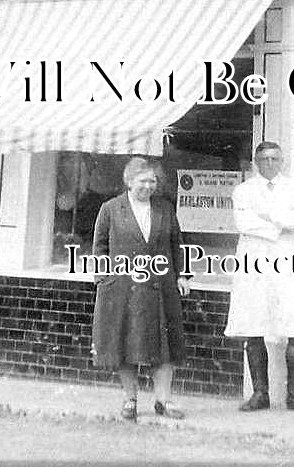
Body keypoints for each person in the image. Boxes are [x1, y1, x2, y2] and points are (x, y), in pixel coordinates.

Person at [91, 157, 191, 422]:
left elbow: (176, 243)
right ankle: (130, 400)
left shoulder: (165, 208)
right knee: (127, 344)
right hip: (124, 288)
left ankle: (164, 400)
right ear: (129, 181)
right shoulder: (111, 209)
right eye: (143, 181)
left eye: (153, 181)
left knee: (164, 345)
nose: (148, 186)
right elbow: (100, 246)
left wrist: (182, 276)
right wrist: (103, 279)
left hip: (161, 286)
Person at [224, 141, 294, 413]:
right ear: (256, 161)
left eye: (275, 159)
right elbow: (243, 223)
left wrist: (268, 215)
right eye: (264, 159)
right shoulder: (242, 191)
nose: (270, 163)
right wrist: (279, 224)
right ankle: (260, 394)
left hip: (288, 260)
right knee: (254, 326)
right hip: (253, 261)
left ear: (282, 161)